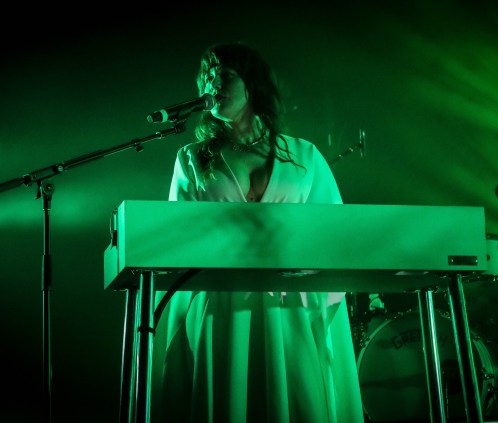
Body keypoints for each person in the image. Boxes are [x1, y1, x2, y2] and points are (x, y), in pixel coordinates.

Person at [152, 42, 364, 422]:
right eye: (207, 77)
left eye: (225, 75)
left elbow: (334, 235)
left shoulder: (304, 156)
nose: (213, 84)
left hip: (290, 307)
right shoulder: (193, 158)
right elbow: (178, 240)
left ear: (253, 83)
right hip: (221, 305)